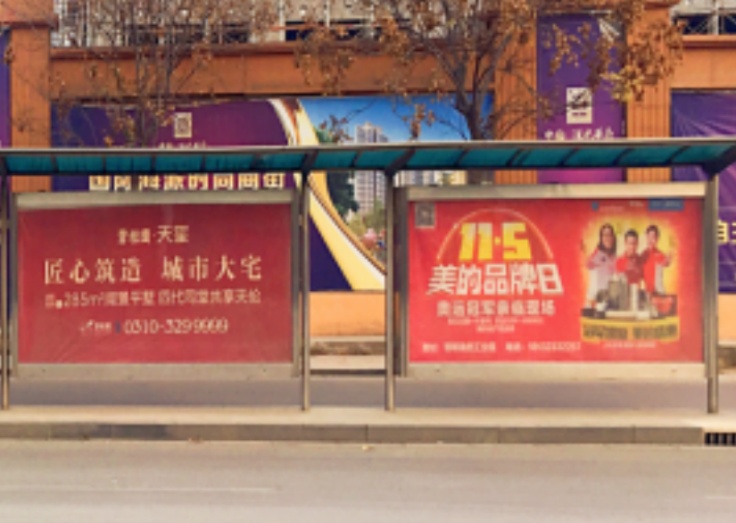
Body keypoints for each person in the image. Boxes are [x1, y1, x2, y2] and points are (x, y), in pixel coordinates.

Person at [585, 223, 617, 303]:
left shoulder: (614, 257)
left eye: (609, 235)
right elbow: (587, 264)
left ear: (613, 237)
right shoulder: (597, 254)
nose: (607, 238)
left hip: (611, 299)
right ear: (601, 238)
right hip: (597, 300)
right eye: (605, 235)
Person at [641, 224, 673, 295]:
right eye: (649, 237)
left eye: (653, 237)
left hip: (658, 291)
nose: (650, 240)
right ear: (646, 237)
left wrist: (668, 260)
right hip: (646, 292)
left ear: (657, 239)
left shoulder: (659, 254)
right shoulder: (643, 254)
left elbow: (665, 263)